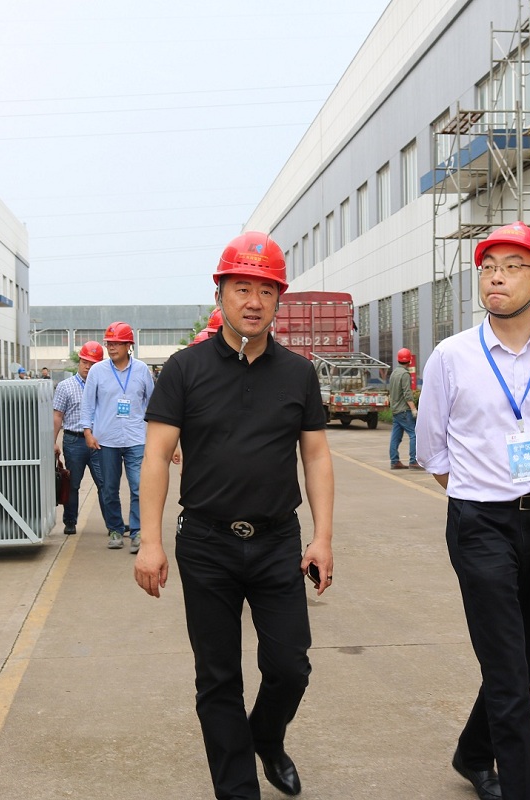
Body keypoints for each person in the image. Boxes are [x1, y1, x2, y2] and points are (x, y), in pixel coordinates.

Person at [133, 231, 335, 800]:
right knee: (218, 677)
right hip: (207, 543)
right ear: (219, 293)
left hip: (276, 542)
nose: (253, 301)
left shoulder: (297, 372)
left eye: (266, 291)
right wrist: (150, 541)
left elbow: (316, 456)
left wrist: (322, 537)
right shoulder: (184, 369)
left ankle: (265, 737)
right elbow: (156, 457)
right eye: (241, 288)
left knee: (290, 666)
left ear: (278, 300)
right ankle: (238, 789)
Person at [417, 222, 530, 800]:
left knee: (524, 653)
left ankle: (472, 752)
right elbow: (432, 447)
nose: (497, 276)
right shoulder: (451, 356)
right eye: (489, 266)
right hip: (480, 522)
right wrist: (477, 488)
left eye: (514, 266)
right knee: (508, 668)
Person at [81, 321, 154, 553]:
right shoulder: (97, 371)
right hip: (106, 440)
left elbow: (152, 402)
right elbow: (87, 403)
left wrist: (153, 433)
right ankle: (114, 529)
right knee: (109, 488)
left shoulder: (141, 370)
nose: (111, 347)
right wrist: (87, 431)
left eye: (117, 343)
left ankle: (137, 531)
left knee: (138, 486)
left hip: (136, 438)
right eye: (109, 343)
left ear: (129, 345)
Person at [52, 342, 105, 535]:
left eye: (93, 363)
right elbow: (57, 416)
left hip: (98, 441)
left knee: (104, 483)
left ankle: (113, 524)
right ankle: (70, 521)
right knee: (73, 483)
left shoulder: (103, 386)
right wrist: (53, 442)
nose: (88, 367)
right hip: (74, 441)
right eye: (85, 362)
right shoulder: (65, 387)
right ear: (79, 362)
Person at [388, 347, 423, 470]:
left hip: (395, 410)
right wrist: (413, 409)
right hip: (404, 411)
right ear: (409, 360)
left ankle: (394, 461)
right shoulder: (405, 374)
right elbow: (407, 394)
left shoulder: (394, 373)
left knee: (395, 437)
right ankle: (413, 461)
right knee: (414, 434)